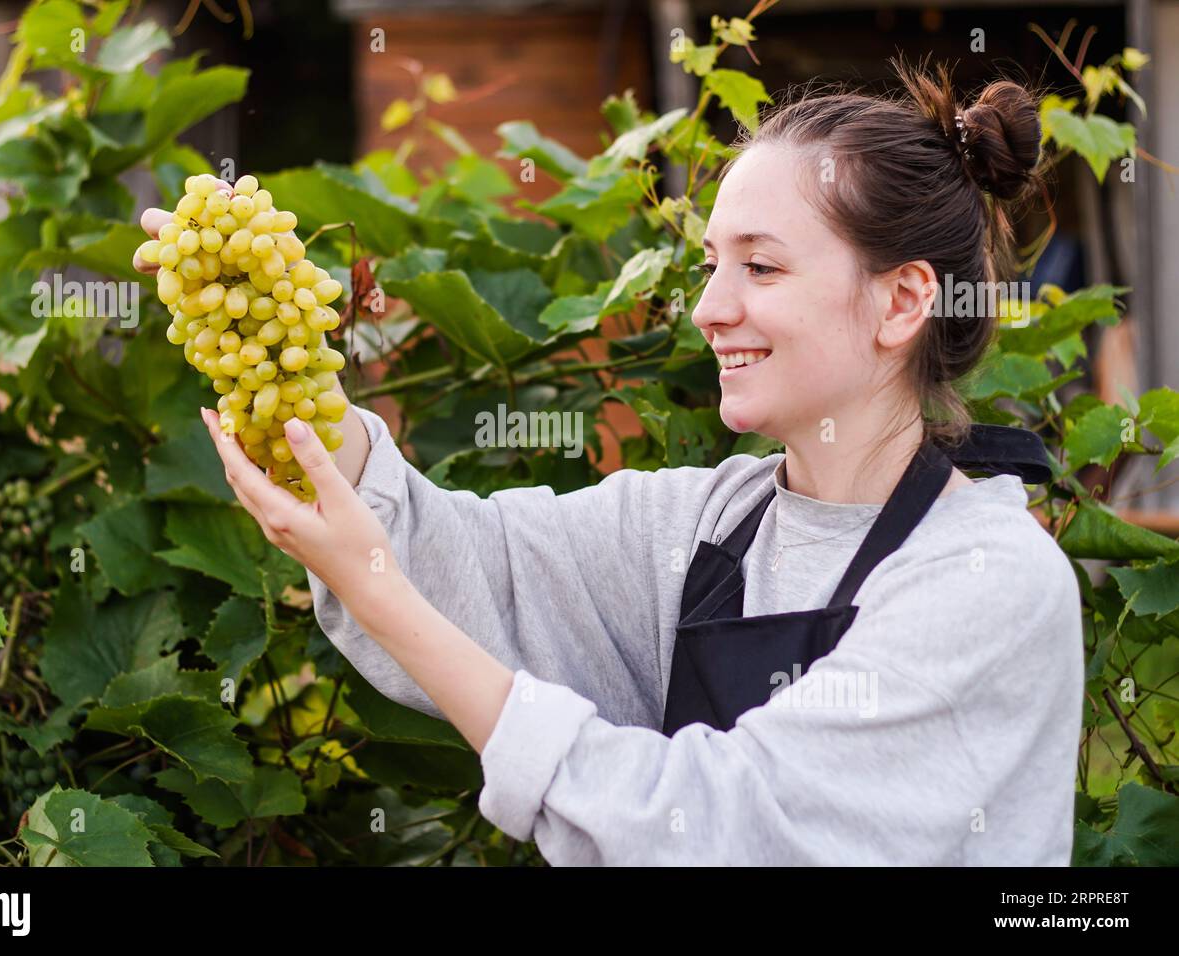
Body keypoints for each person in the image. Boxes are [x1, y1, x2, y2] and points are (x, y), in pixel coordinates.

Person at [133, 60, 1084, 865]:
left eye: (760, 266)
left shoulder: (989, 584)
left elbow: (719, 828)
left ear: (903, 301)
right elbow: (474, 564)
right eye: (711, 263)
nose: (710, 306)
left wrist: (375, 588)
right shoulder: (705, 525)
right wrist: (277, 363)